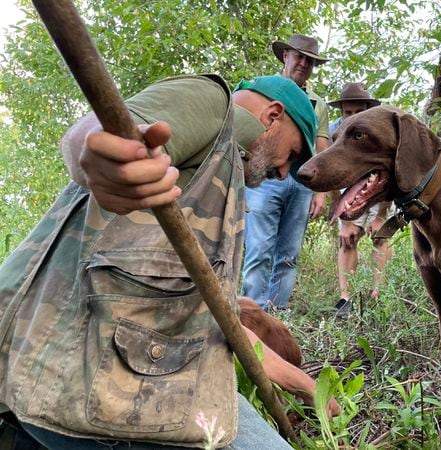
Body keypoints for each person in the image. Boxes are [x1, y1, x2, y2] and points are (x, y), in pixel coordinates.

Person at [0, 74, 332, 449]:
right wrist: (102, 157)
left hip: (86, 372)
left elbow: (217, 322)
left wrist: (305, 385)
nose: (285, 173)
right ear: (273, 115)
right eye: (292, 154)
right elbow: (104, 132)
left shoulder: (221, 184)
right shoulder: (215, 105)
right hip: (73, 373)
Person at [242, 34, 331, 312]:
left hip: (301, 185)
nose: (304, 63)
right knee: (258, 248)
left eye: (311, 60)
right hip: (265, 180)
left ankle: (277, 312)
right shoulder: (264, 90)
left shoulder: (318, 103)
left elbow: (321, 146)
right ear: (286, 56)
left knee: (289, 254)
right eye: (299, 56)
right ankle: (252, 312)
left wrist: (320, 192)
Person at [327, 83, 392, 317]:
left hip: (378, 189)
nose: (352, 117)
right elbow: (331, 177)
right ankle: (346, 298)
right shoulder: (335, 132)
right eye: (348, 112)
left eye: (358, 112)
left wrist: (382, 216)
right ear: (341, 112)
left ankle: (379, 295)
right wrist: (343, 217)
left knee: (381, 236)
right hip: (349, 189)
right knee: (347, 239)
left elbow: (389, 171)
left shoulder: (378, 132)